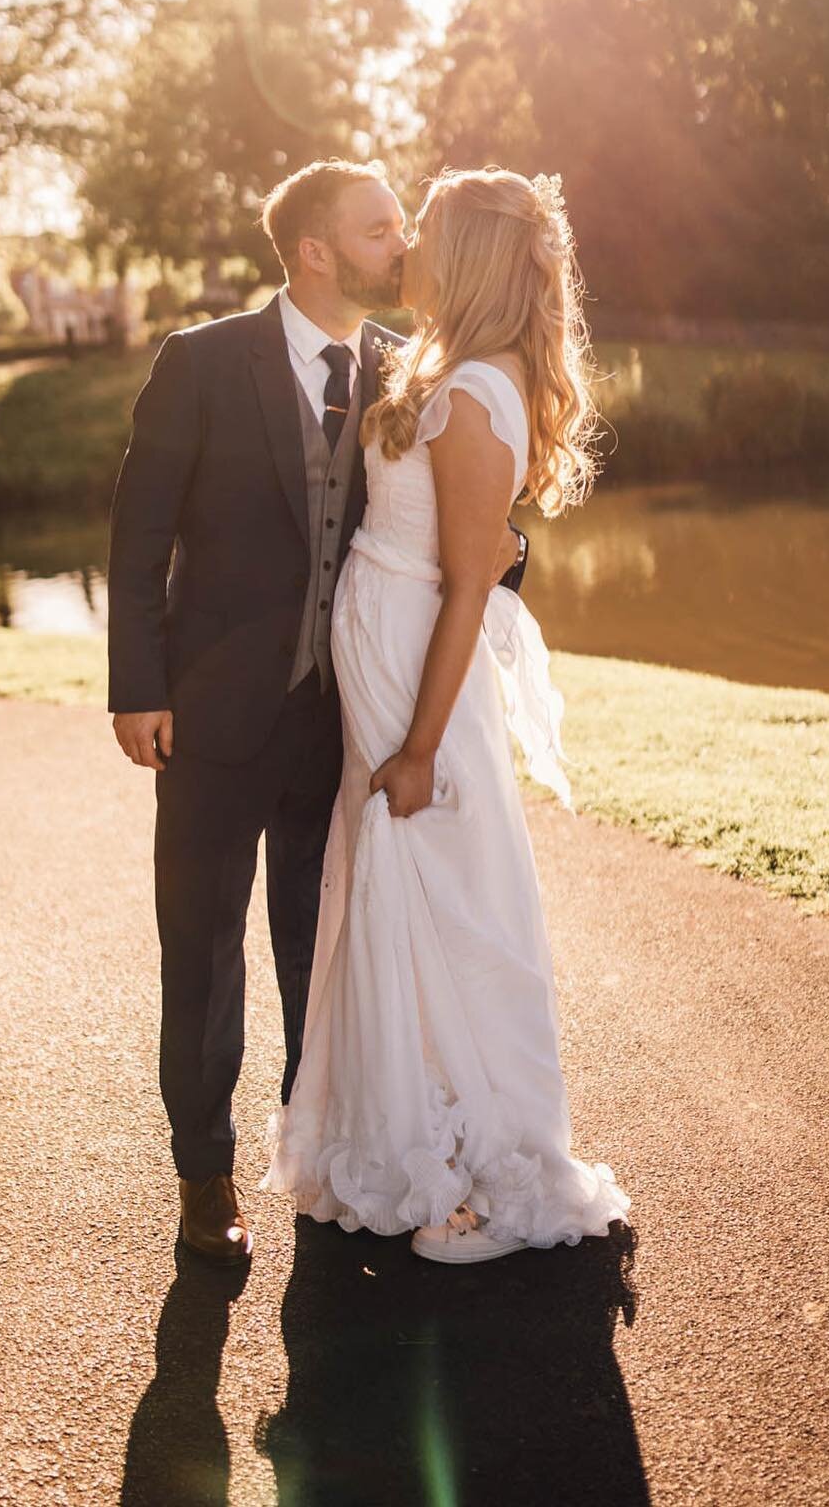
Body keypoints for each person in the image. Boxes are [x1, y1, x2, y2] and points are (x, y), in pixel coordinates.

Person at [107, 160, 527, 1265]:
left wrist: (505, 560)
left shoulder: (409, 370)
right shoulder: (199, 364)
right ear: (315, 251)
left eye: (402, 226)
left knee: (325, 946)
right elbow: (140, 534)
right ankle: (204, 1179)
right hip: (205, 717)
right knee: (199, 950)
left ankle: (320, 1151)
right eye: (381, 229)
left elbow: (454, 534)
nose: (402, 246)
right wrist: (136, 687)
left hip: (342, 720)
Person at [260, 166, 631, 1262]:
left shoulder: (475, 392)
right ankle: (411, 1146)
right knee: (395, 894)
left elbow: (471, 579)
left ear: (463, 253)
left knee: (445, 898)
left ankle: (482, 1185)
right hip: (384, 650)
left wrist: (421, 747)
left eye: (422, 227)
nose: (408, 241)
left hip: (422, 671)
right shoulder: (448, 366)